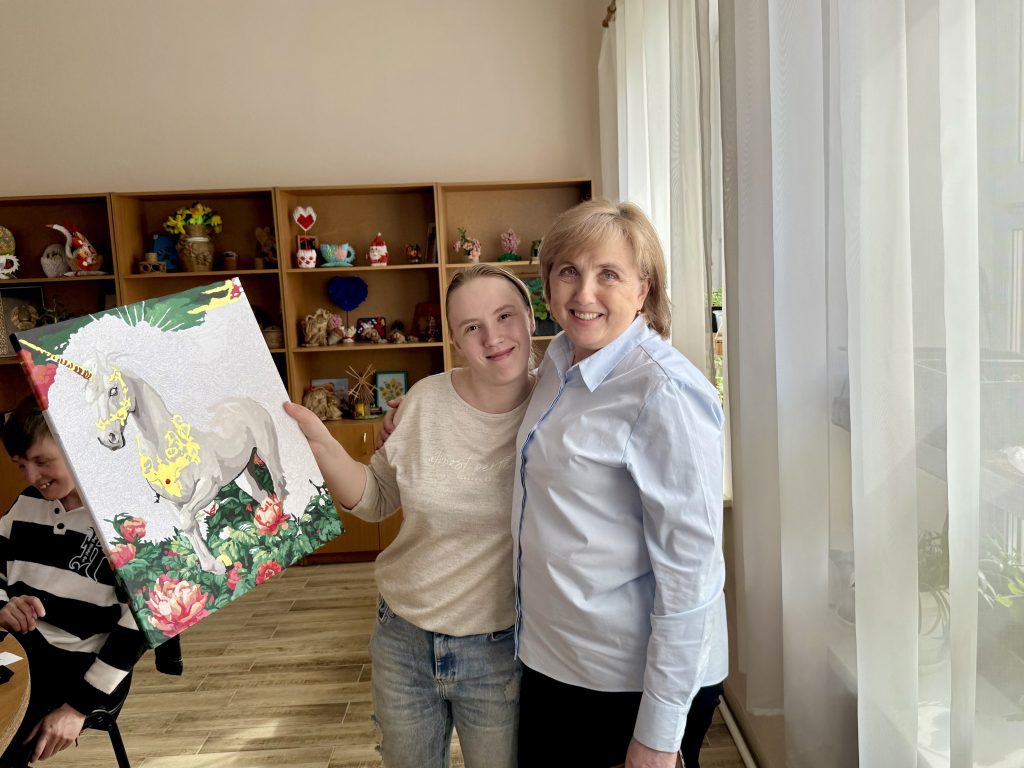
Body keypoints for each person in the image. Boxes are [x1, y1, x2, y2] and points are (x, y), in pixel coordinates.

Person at [287, 264, 536, 768]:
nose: (492, 338)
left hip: (499, 647)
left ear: (531, 318)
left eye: (505, 316)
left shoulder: (558, 406)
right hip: (402, 638)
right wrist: (324, 448)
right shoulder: (423, 399)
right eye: (472, 326)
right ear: (454, 340)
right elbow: (377, 498)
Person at [513, 199, 727, 768]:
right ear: (548, 284)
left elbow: (693, 574)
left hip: (627, 684)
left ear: (643, 289)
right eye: (569, 271)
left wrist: (659, 734)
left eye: (608, 274)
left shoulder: (664, 391)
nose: (584, 292)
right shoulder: (560, 361)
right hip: (555, 662)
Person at [0, 396, 146, 767]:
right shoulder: (25, 504)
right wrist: (4, 605)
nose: (32, 477)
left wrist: (77, 708)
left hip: (76, 669)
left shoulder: (126, 521)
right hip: (17, 648)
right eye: (20, 465)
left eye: (42, 461)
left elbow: (139, 627)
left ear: (76, 445)